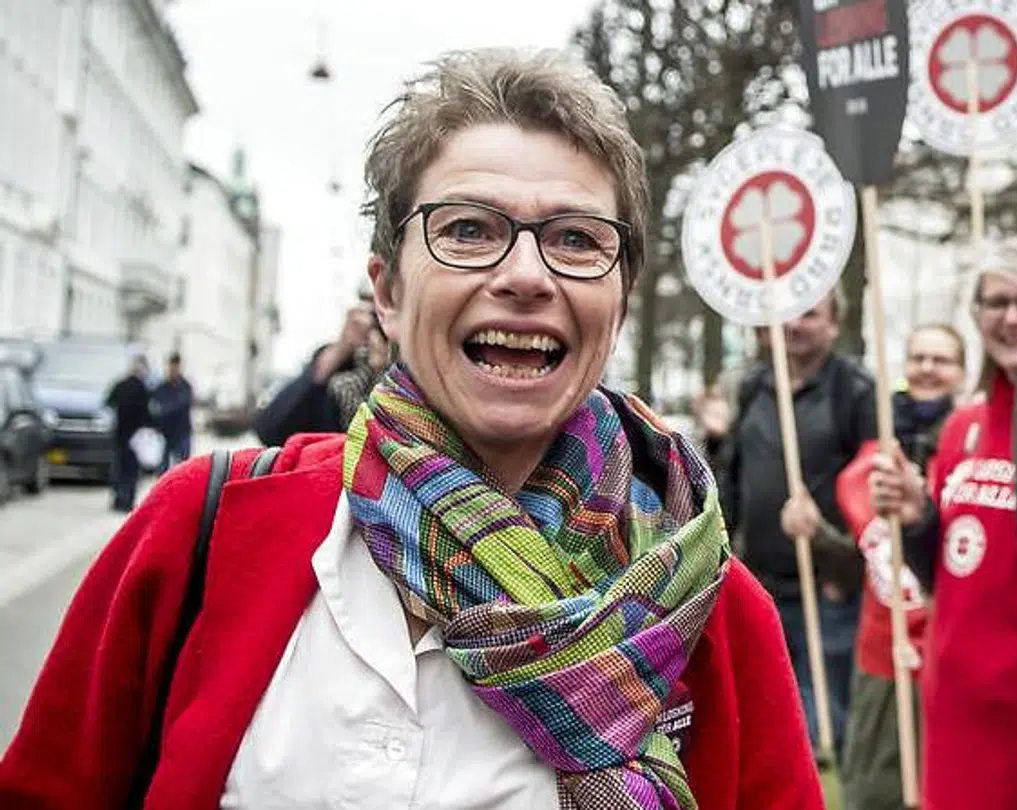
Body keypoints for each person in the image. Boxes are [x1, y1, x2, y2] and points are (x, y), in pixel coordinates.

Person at [0, 48, 822, 810]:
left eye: (576, 240)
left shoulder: (706, 611)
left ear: (620, 303)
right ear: (386, 292)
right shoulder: (199, 535)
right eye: (468, 229)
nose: (526, 276)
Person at [867, 235, 1017, 810]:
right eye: (996, 303)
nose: (1012, 318)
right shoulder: (962, 426)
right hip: (955, 704)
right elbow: (950, 570)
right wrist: (919, 519)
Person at [709, 290, 877, 758]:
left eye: (810, 314)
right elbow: (735, 474)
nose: (796, 324)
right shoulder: (753, 386)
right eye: (787, 313)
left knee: (827, 720)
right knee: (774, 709)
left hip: (828, 580)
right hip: (762, 576)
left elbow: (871, 484)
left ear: (833, 325)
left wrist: (842, 558)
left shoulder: (855, 389)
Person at [826, 323, 964, 810]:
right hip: (884, 650)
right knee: (874, 790)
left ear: (962, 373)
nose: (927, 369)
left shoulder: (970, 448)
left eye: (941, 360)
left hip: (949, 654)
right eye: (918, 358)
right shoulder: (877, 453)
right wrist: (815, 536)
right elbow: (855, 553)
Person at [252, 289, 388, 445]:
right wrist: (338, 353)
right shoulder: (343, 365)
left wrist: (386, 374)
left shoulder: (415, 371)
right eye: (376, 313)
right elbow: (270, 430)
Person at [105, 355, 152, 512]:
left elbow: (108, 402)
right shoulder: (142, 388)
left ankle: (119, 499)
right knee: (130, 470)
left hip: (121, 434)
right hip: (135, 437)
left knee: (121, 468)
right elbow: (148, 415)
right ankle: (126, 500)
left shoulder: (121, 385)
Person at [150, 353, 194, 472]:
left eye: (175, 367)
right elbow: (154, 405)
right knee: (163, 468)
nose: (173, 370)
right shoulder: (161, 387)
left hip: (182, 431)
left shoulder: (185, 386)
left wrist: (164, 409)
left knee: (183, 468)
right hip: (166, 432)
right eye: (171, 367)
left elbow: (180, 404)